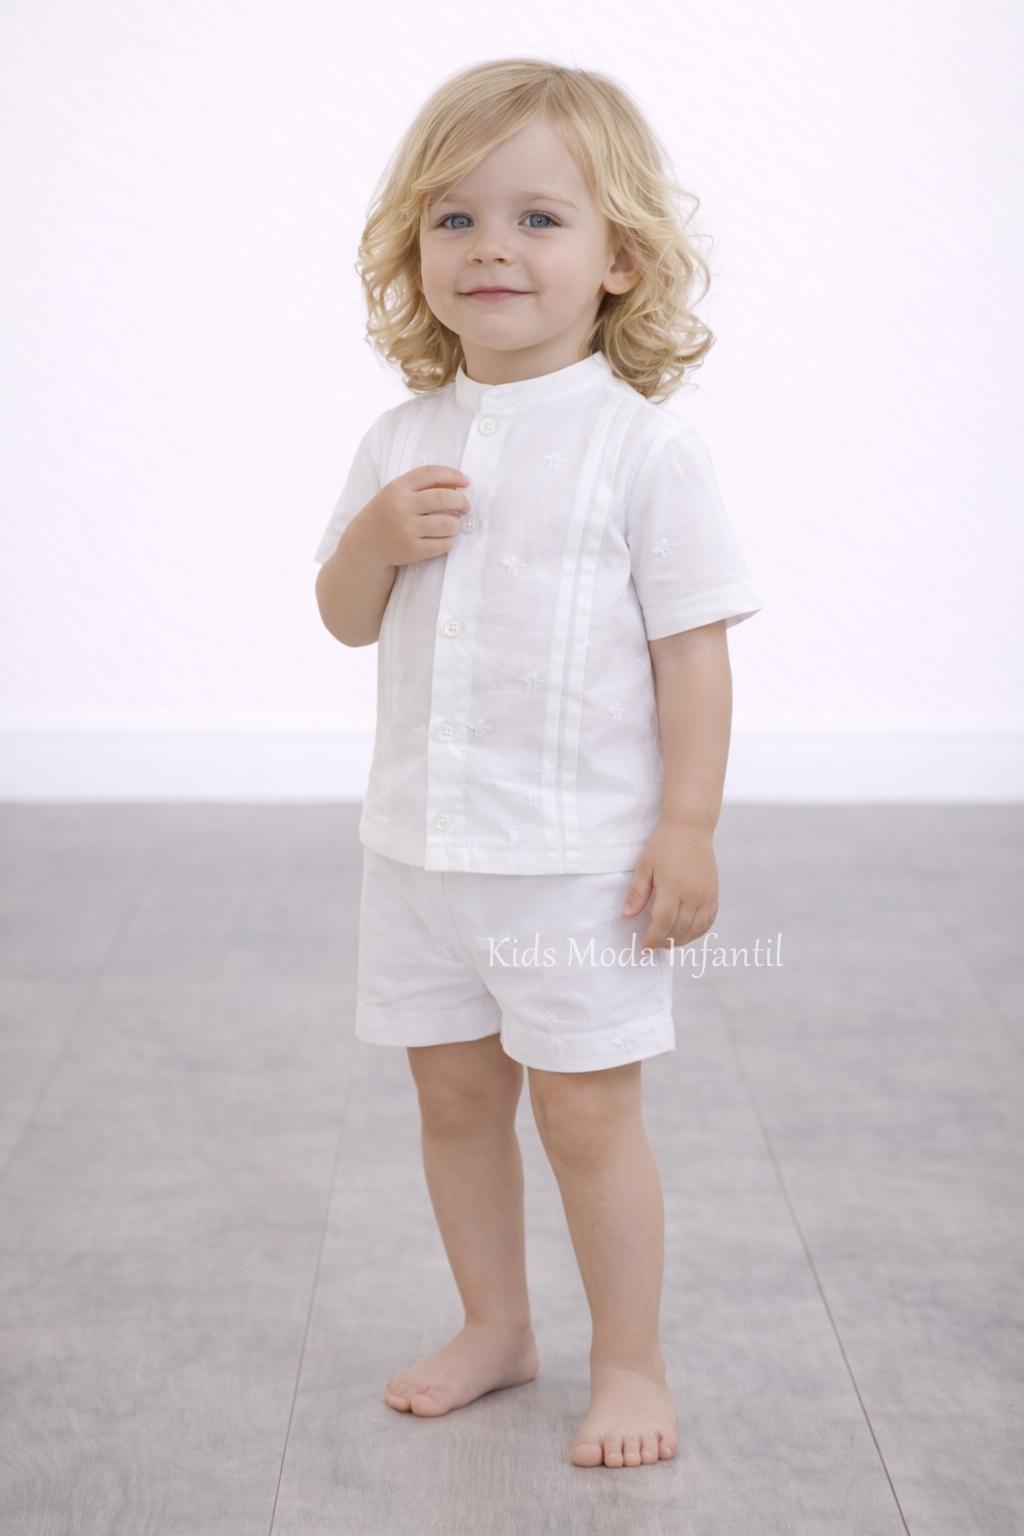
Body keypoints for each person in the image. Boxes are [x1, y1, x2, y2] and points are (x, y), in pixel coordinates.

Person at [313, 58, 763, 1470]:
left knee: (585, 1114)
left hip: (574, 868)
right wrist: (373, 541)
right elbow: (345, 618)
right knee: (453, 1103)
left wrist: (687, 828)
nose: (490, 248)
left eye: (538, 219)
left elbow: (693, 655)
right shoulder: (401, 441)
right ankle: (495, 1326)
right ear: (415, 253)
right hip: (418, 854)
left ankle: (629, 1361)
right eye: (453, 219)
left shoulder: (643, 452)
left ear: (620, 258)